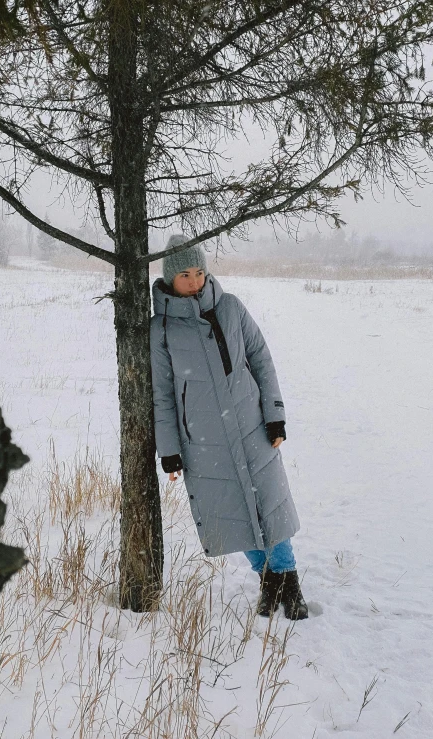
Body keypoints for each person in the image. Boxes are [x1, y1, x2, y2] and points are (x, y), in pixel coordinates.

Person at [150, 234, 308, 620]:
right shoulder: (162, 329)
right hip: (204, 442)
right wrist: (169, 450)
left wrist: (275, 415)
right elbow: (163, 394)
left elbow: (261, 359)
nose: (195, 281)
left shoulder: (231, 308)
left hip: (251, 426)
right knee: (233, 512)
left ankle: (290, 582)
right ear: (170, 277)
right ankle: (268, 579)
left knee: (271, 506)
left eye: (200, 272)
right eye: (185, 274)